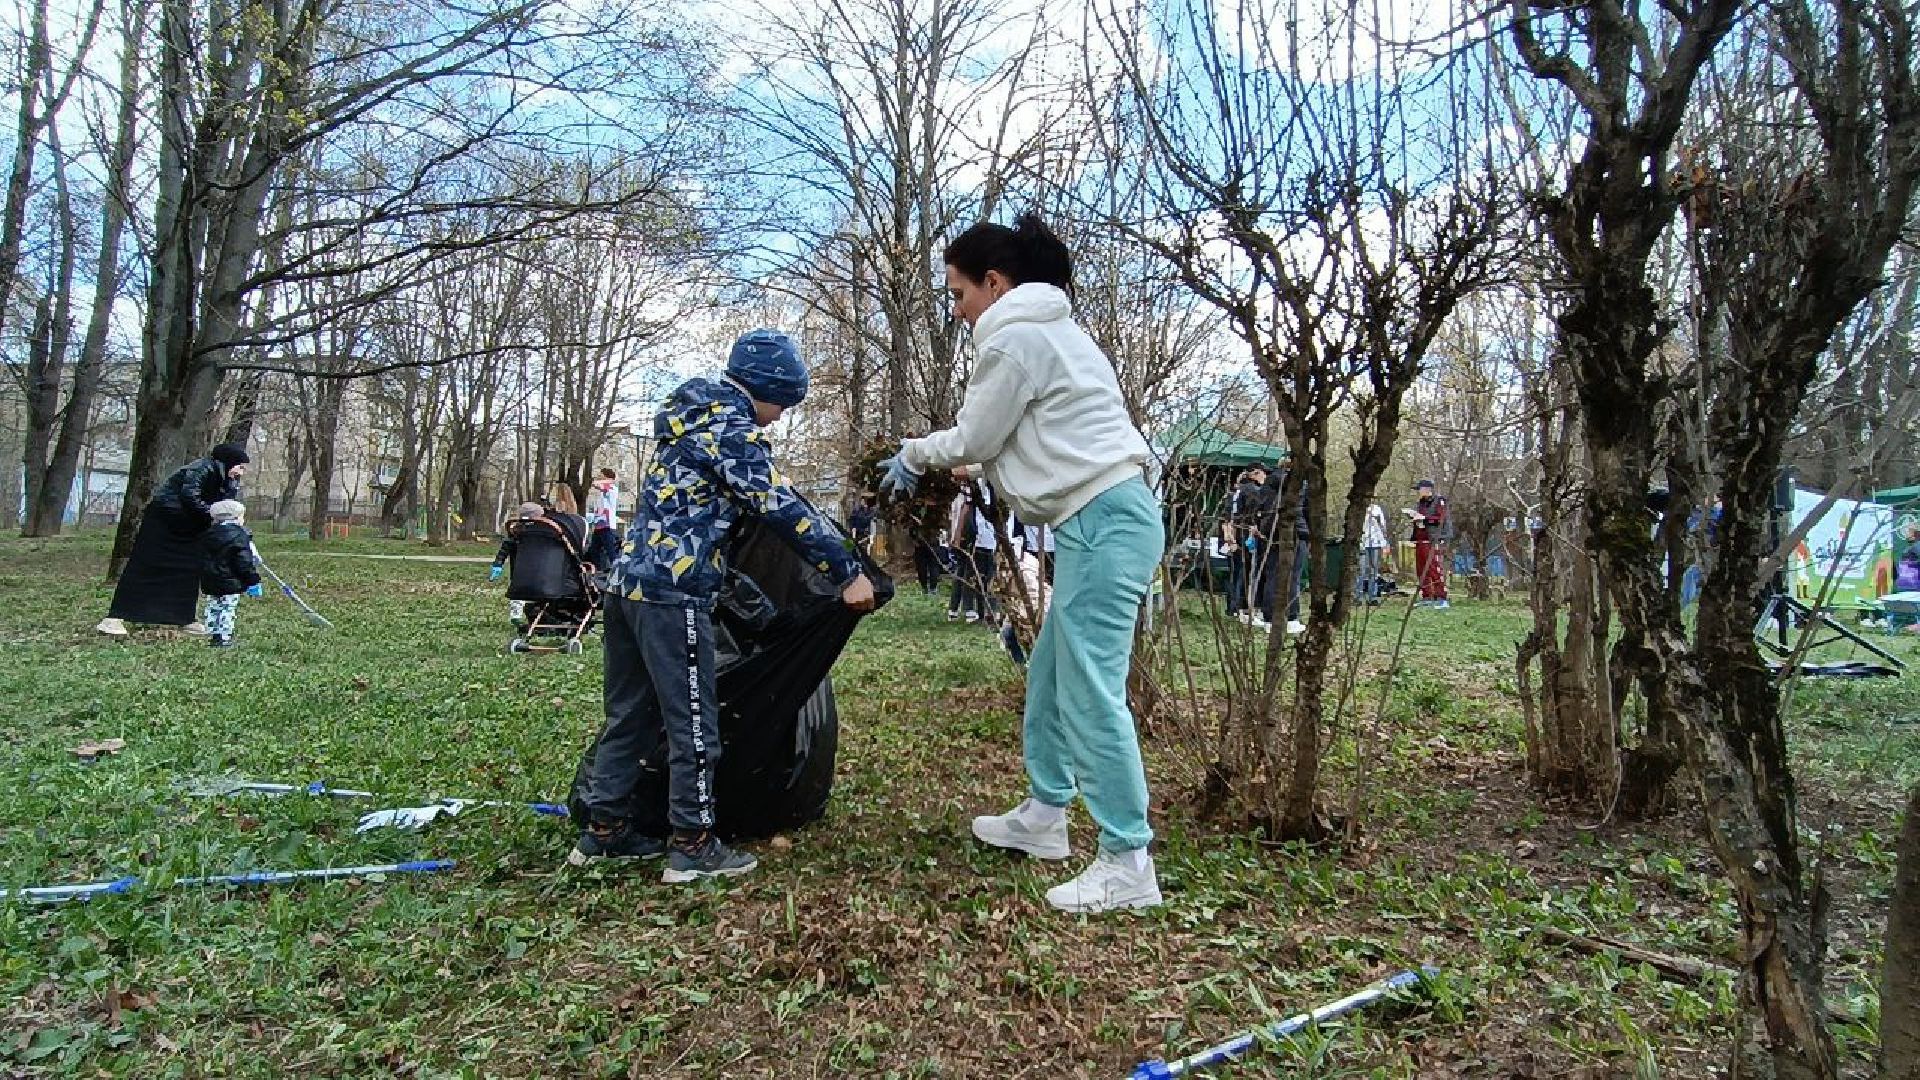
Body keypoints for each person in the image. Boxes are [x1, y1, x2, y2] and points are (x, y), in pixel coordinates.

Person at [877, 213, 1164, 913]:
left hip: (1104, 522)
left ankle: (1128, 860)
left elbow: (977, 432)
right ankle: (1044, 816)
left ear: (995, 283)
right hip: (1105, 517)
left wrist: (916, 454)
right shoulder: (1052, 332)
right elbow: (1013, 438)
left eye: (957, 292)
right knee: (1051, 675)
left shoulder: (1013, 340)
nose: (956, 308)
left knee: (1089, 690)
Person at [573, 329, 876, 883]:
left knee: (630, 716)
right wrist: (847, 571)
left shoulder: (690, 420)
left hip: (626, 588)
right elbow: (782, 506)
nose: (780, 416)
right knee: (692, 721)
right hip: (673, 593)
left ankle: (604, 833)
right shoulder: (730, 430)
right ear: (764, 388)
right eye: (783, 401)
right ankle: (692, 846)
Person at [98, 443, 250, 637]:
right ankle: (113, 619)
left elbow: (227, 506)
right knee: (145, 568)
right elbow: (190, 496)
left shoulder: (228, 481)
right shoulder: (201, 468)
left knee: (190, 570)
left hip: (190, 528)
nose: (241, 472)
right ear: (228, 462)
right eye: (240, 467)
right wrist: (214, 515)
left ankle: (184, 618)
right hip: (164, 523)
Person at [199, 500, 262, 648]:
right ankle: (224, 637)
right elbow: (244, 562)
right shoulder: (239, 537)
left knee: (214, 606)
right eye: (242, 517)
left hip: (210, 580)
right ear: (235, 518)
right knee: (228, 608)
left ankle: (214, 634)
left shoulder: (207, 535)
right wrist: (253, 580)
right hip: (231, 581)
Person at [1256, 465, 1309, 634]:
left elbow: (1260, 508)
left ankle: (1269, 619)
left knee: (1272, 576)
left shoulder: (1267, 483)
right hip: (1295, 531)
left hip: (1270, 533)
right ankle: (1292, 617)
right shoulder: (1300, 483)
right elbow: (1308, 509)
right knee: (1293, 576)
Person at [947, 481, 999, 624]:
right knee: (971, 576)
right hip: (976, 540)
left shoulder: (996, 490)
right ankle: (969, 609)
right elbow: (965, 509)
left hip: (992, 541)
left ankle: (988, 612)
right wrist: (958, 535)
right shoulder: (973, 489)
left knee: (990, 579)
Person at [1407, 479, 1450, 609]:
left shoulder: (1439, 501)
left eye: (1419, 489)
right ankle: (1427, 596)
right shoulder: (1421, 503)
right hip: (1420, 539)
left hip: (1432, 540)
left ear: (1427, 489)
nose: (1418, 492)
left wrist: (1425, 519)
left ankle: (1441, 597)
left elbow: (1441, 518)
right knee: (1421, 569)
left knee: (1433, 568)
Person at [586, 468, 621, 572]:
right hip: (599, 524)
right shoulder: (604, 490)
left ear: (607, 477)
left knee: (610, 550)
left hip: (607, 524)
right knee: (594, 550)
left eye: (601, 475)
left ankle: (617, 570)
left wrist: (599, 481)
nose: (599, 476)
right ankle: (596, 570)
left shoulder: (612, 488)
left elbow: (596, 484)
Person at [1357, 503, 1389, 605]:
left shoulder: (1377, 509)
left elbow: (1382, 527)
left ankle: (1373, 596)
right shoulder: (1359, 508)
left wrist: (1384, 543)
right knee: (1361, 570)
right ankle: (1358, 596)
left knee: (1374, 570)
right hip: (1362, 543)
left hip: (1375, 544)